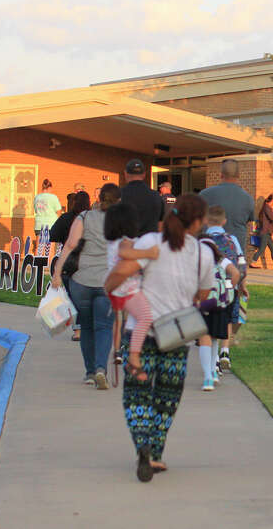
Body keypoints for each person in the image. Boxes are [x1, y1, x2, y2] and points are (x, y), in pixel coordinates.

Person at [104, 194, 215, 482]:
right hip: (177, 334)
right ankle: (155, 453)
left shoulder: (149, 242)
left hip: (140, 331)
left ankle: (142, 441)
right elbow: (203, 295)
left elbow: (121, 272)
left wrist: (112, 289)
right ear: (199, 222)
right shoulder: (203, 254)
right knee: (167, 396)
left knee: (136, 393)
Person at [51, 183, 121, 390]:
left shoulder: (84, 218)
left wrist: (57, 273)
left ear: (99, 199)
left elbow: (70, 245)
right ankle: (101, 368)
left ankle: (90, 372)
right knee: (104, 326)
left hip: (81, 279)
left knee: (87, 326)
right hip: (107, 281)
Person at [103, 202, 160, 383]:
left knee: (124, 322)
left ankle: (120, 350)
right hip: (126, 290)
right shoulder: (124, 242)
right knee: (145, 317)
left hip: (119, 291)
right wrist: (149, 252)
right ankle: (134, 359)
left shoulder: (113, 242)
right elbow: (126, 254)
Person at [204, 205, 248, 372]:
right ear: (224, 221)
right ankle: (225, 352)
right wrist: (241, 284)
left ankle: (214, 360)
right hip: (230, 286)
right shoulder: (232, 239)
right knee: (228, 319)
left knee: (209, 323)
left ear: (207, 221)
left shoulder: (203, 239)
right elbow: (242, 264)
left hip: (208, 287)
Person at [196, 237, 241, 391]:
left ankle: (208, 377)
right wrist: (227, 289)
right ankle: (213, 371)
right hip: (220, 304)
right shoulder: (222, 260)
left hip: (203, 303)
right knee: (214, 338)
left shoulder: (197, 261)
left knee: (204, 339)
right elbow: (236, 274)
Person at [50, 191, 91, 341]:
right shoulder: (92, 218)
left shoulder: (67, 218)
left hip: (69, 262)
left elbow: (52, 235)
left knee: (74, 298)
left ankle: (78, 331)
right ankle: (88, 327)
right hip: (89, 261)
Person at [199, 159, 255, 253]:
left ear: (221, 174)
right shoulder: (248, 198)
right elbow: (251, 218)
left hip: (210, 253)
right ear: (239, 175)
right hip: (236, 253)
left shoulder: (204, 194)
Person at [121, 159, 165, 236]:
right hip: (150, 245)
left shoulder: (118, 195)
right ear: (144, 174)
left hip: (126, 244)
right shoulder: (157, 196)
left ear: (125, 173)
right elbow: (160, 226)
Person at [249, 193, 273, 270]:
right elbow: (271, 218)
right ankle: (253, 262)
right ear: (272, 200)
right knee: (262, 249)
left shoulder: (267, 208)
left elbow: (270, 220)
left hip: (267, 233)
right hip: (265, 232)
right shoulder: (267, 207)